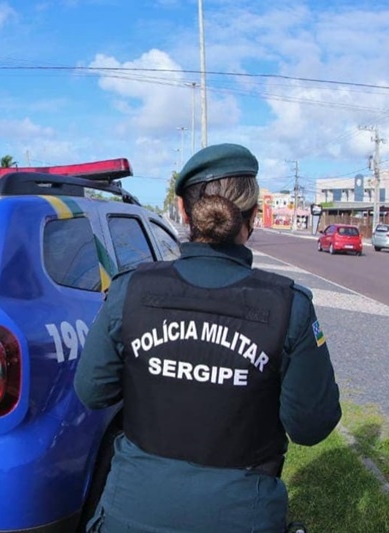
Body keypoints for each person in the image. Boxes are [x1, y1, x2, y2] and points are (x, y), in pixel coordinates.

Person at [74, 143, 341, 532]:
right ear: (251, 215)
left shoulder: (131, 290)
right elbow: (311, 426)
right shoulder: (289, 306)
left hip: (132, 511)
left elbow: (92, 390)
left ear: (183, 210)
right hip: (240, 517)